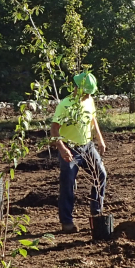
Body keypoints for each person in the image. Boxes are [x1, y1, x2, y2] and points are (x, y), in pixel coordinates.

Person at [50, 71, 107, 235]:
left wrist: (100, 139)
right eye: (86, 91)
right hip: (70, 149)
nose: (88, 95)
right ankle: (67, 222)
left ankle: (96, 213)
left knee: (101, 174)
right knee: (67, 184)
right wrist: (62, 148)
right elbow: (54, 129)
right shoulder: (66, 105)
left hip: (88, 147)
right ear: (77, 88)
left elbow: (93, 119)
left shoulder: (89, 100)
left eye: (90, 92)